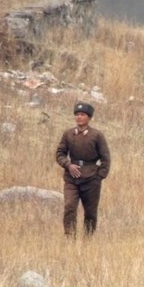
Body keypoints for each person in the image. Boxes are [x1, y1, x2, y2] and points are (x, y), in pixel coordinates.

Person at [56, 101, 111, 237]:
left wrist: (99, 177)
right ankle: (70, 237)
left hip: (91, 178)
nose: (79, 117)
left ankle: (88, 240)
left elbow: (106, 158)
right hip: (71, 178)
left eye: (82, 114)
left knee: (90, 212)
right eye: (77, 114)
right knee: (69, 207)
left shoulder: (97, 135)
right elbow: (60, 153)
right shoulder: (68, 134)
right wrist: (68, 165)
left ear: (89, 117)